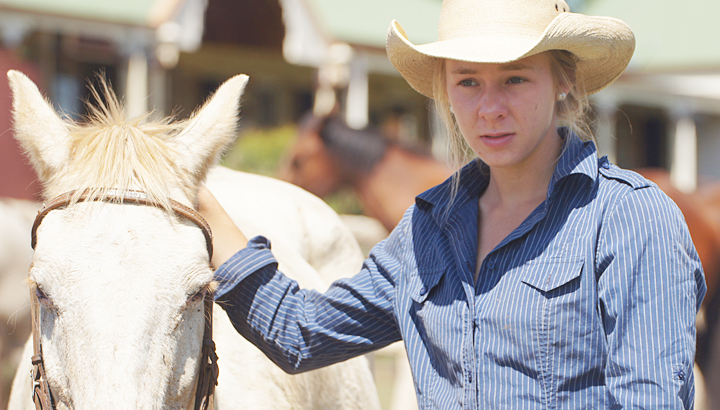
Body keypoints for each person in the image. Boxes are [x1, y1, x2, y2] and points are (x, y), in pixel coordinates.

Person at [197, 0, 706, 407]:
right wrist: (201, 203)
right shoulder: (428, 231)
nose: (488, 109)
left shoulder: (630, 220)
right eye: (467, 81)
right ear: (445, 88)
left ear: (563, 81)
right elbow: (300, 334)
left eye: (515, 77)